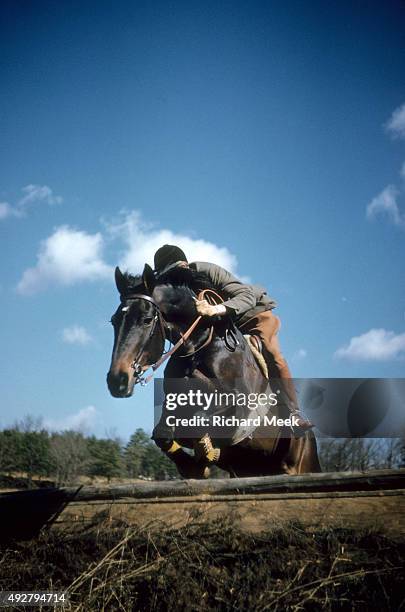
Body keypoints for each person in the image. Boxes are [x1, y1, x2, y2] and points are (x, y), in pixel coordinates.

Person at [152, 244, 313, 464]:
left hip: (251, 316)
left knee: (271, 352)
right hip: (221, 328)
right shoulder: (173, 293)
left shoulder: (206, 270)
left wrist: (217, 309)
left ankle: (294, 413)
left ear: (185, 265)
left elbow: (245, 295)